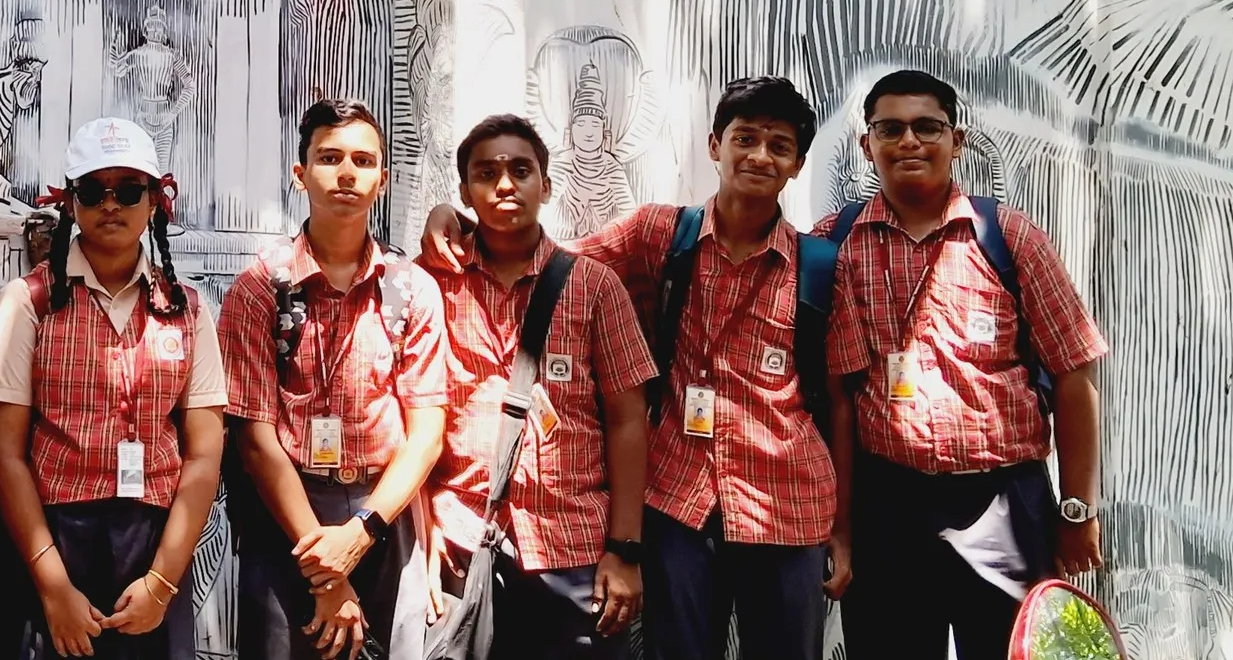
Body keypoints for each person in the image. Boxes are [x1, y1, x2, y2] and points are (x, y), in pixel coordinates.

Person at [823, 70, 1110, 658]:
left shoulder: (1008, 237)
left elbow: (1076, 376)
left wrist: (1077, 510)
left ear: (956, 141)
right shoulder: (835, 244)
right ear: (867, 144)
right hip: (888, 504)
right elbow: (834, 397)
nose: (909, 142)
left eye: (927, 127)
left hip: (1004, 504)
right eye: (890, 128)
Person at [561, 79, 846, 660]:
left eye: (779, 145)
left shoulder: (819, 267)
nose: (760, 156)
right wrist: (457, 223)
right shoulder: (661, 235)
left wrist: (844, 531)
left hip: (787, 504)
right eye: (745, 138)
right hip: (678, 499)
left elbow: (843, 403)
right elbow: (559, 269)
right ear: (715, 145)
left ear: (797, 163)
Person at [0, 119, 228, 660]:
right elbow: (5, 452)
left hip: (157, 540)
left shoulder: (186, 309)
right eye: (92, 190)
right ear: (70, 203)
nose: (110, 204)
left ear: (155, 201)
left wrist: (163, 582)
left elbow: (205, 455)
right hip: (57, 539)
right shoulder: (29, 303)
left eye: (129, 190)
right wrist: (52, 584)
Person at [219, 99, 450, 660]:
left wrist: (361, 533)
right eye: (330, 157)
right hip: (286, 510)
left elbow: (426, 434)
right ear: (301, 175)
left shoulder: (411, 289)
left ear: (383, 180)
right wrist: (324, 569)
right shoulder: (261, 286)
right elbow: (254, 436)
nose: (347, 172)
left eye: (363, 161)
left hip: (383, 512)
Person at [419, 116, 654, 657]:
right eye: (487, 173)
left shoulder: (594, 285)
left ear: (545, 186)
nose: (505, 185)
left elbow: (627, 420)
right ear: (464, 192)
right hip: (460, 542)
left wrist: (625, 551)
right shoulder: (431, 283)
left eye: (521, 170)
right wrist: (422, 529)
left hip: (573, 546)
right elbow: (411, 418)